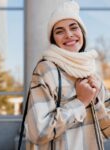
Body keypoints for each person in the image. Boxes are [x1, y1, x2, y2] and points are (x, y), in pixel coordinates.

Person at [25, 1, 110, 150]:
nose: (69, 34)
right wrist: (81, 102)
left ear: (82, 32)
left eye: (73, 27)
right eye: (59, 31)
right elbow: (37, 133)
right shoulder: (46, 70)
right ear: (54, 40)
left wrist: (95, 101)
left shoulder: (91, 72)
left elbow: (108, 131)